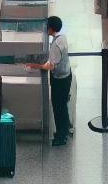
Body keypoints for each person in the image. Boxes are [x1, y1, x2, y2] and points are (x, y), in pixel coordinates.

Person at [26, 15, 73, 146]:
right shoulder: (62, 38)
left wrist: (36, 66)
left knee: (59, 107)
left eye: (47, 26)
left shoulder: (56, 45)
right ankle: (65, 128)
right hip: (66, 75)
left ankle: (61, 136)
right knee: (62, 104)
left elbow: (51, 66)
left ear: (51, 28)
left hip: (60, 79)